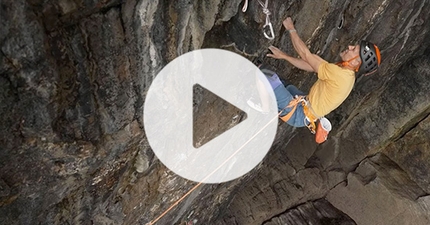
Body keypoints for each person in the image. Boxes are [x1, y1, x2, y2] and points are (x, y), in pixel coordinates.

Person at [254, 17, 381, 129]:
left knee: (266, 78)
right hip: (303, 103)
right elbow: (311, 65)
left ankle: (264, 110)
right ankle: (269, 98)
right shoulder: (345, 72)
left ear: (355, 62)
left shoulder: (340, 75)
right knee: (273, 77)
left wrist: (291, 28)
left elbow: (305, 55)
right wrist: (284, 56)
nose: (349, 46)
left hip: (298, 114)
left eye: (353, 49)